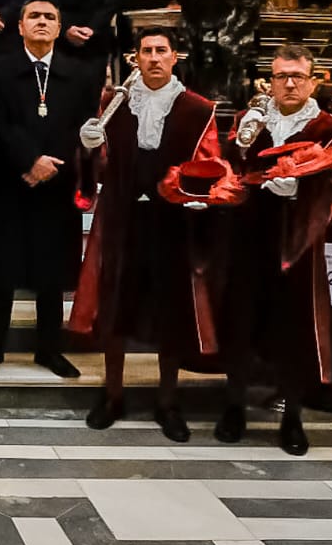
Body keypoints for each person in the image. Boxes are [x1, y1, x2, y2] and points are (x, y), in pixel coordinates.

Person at [70, 28, 232, 442]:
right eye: (147, 51)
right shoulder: (114, 104)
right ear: (134, 58)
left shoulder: (198, 109)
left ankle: (167, 401)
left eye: (162, 50)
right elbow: (98, 163)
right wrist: (88, 148)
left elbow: (211, 165)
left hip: (173, 221)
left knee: (171, 311)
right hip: (123, 217)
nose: (155, 58)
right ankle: (113, 395)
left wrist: (203, 197)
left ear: (175, 56)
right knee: (116, 306)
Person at [220, 44, 332, 456]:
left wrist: (301, 190)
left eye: (297, 77)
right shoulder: (249, 120)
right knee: (240, 320)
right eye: (280, 76)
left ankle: (291, 417)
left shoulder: (326, 127)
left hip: (299, 239)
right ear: (268, 81)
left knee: (294, 327)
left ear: (313, 81)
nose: (289, 84)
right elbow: (230, 167)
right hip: (249, 235)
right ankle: (234, 406)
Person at [0, 0, 89, 378]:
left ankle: (49, 350)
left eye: (50, 17)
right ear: (20, 26)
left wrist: (51, 162)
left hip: (57, 183)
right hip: (10, 179)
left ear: (59, 28)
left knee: (51, 273)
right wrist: (29, 161)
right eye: (34, 16)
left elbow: (82, 127)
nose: (42, 22)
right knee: (2, 270)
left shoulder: (79, 72)